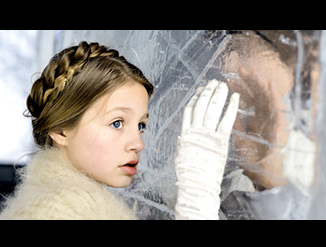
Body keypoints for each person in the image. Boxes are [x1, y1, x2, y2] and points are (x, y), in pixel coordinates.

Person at [0, 41, 239, 220]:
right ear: (61, 131)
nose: (138, 143)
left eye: (141, 125)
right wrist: (195, 207)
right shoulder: (59, 212)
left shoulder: (71, 202)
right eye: (117, 123)